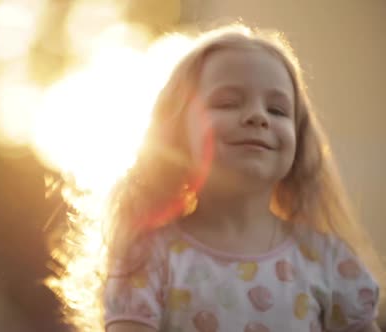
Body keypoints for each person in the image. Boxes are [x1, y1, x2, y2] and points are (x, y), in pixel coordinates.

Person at [102, 24, 384, 332]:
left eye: (277, 110)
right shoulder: (147, 257)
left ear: (299, 140)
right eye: (228, 103)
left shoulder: (329, 262)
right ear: (177, 136)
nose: (258, 116)